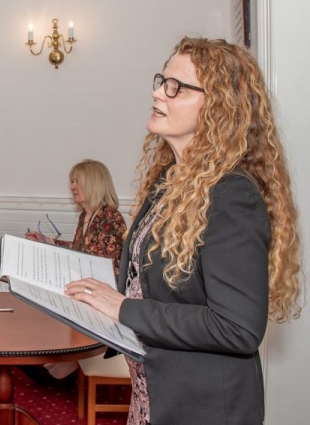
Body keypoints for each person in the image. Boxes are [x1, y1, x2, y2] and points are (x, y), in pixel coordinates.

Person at [65, 37, 303, 425]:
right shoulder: (168, 180)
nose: (157, 92)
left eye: (175, 87)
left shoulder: (231, 195)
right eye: (161, 81)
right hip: (154, 393)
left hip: (204, 404)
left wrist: (122, 308)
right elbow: (155, 283)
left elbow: (237, 327)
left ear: (218, 107)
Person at [26, 159, 126, 276]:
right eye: (72, 181)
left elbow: (109, 269)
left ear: (94, 184)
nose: (72, 187)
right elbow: (78, 250)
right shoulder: (85, 216)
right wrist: (47, 241)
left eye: (77, 182)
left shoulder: (110, 218)